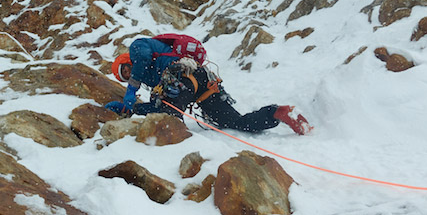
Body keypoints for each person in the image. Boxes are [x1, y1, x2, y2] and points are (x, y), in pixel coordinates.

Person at [104, 37, 310, 135]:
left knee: (168, 116)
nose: (129, 74)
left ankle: (173, 159)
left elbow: (142, 58)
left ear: (127, 60)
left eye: (126, 69)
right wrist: (133, 108)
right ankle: (276, 113)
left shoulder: (138, 47)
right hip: (203, 87)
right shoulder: (152, 80)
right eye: (125, 76)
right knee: (235, 123)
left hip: (188, 74)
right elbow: (163, 105)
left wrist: (131, 89)